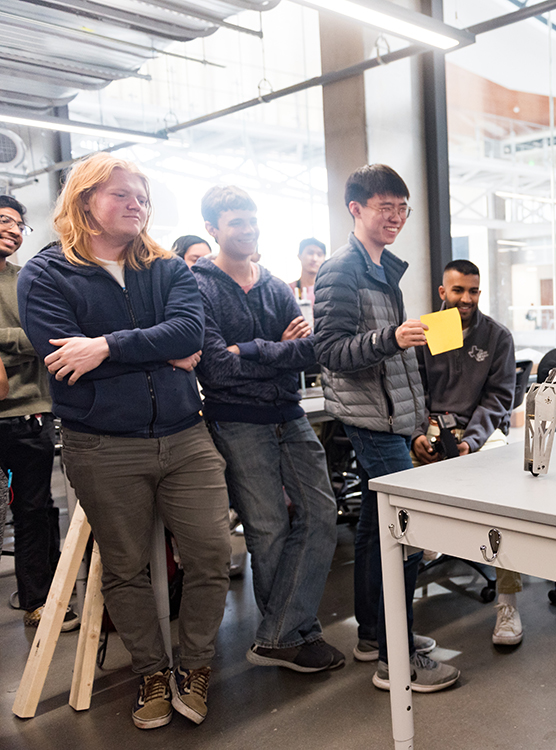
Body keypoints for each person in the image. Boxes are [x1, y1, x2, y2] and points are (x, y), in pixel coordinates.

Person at [17, 153, 231, 730]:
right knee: (125, 566)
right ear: (85, 201)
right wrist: (158, 352)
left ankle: (195, 666)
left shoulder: (167, 268)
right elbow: (62, 360)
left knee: (213, 554)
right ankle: (152, 672)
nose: (137, 204)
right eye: (122, 195)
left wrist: (105, 347)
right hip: (103, 444)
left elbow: (191, 333)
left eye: (142, 196)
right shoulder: (45, 274)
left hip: (186, 436)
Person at [313, 163, 459, 693]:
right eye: (385, 208)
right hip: (368, 418)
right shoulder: (341, 270)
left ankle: (376, 634)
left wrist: (418, 411)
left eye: (402, 209)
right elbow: (328, 351)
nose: (396, 218)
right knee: (407, 530)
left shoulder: (381, 266)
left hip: (392, 416)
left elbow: (389, 352)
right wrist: (391, 338)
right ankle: (395, 659)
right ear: (356, 209)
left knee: (379, 531)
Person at [193, 186, 343, 674]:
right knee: (268, 530)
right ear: (213, 228)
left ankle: (277, 635)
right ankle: (297, 635)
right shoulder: (198, 285)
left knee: (322, 513)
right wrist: (274, 350)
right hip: (236, 420)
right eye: (237, 222)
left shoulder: (277, 285)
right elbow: (215, 369)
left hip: (288, 414)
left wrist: (251, 350)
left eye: (253, 221)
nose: (249, 230)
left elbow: (309, 352)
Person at [410, 260, 519, 646]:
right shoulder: (424, 334)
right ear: (443, 292)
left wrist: (470, 441)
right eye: (458, 290)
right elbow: (414, 391)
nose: (466, 299)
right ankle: (398, 617)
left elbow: (499, 399)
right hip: (432, 429)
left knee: (508, 493)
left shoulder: (496, 337)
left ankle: (508, 604)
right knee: (398, 490)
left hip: (479, 430)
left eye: (473, 291)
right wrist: (418, 434)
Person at [0, 195, 79, 633]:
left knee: (34, 508)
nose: (13, 230)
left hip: (29, 411)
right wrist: (20, 338)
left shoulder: (27, 279)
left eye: (19, 225)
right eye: (4, 221)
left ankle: (38, 600)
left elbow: (48, 338)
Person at [290, 238, 326, 307]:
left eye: (319, 254)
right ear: (299, 256)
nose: (314, 259)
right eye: (310, 253)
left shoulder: (327, 291)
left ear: (324, 259)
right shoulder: (288, 290)